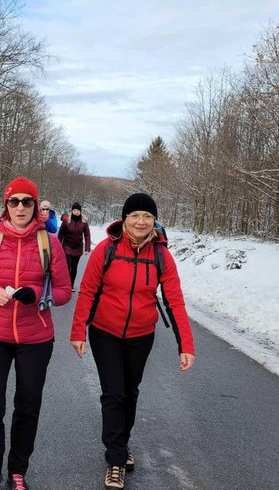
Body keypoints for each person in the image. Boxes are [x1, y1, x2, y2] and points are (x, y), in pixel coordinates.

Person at [69, 193, 195, 490]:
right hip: (105, 332)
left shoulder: (162, 255)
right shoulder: (106, 249)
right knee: (114, 394)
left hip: (141, 335)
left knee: (130, 392)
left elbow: (175, 301)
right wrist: (78, 331)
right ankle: (115, 460)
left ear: (155, 221)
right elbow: (87, 291)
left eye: (147, 216)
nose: (141, 221)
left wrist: (186, 344)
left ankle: (121, 444)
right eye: (135, 215)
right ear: (124, 219)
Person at [0, 177, 72, 490]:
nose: (21, 208)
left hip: (35, 339)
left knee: (27, 408)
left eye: (28, 201)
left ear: (35, 206)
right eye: (14, 202)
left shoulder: (49, 242)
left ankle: (17, 471)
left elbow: (65, 291)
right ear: (6, 206)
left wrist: (39, 296)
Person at [58, 202, 91, 290]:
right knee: (68, 265)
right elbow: (61, 233)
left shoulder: (84, 222)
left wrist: (87, 248)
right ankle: (66, 284)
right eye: (74, 210)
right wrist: (58, 245)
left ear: (80, 211)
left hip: (78, 248)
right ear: (72, 211)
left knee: (74, 267)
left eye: (78, 210)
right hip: (67, 246)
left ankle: (71, 285)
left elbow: (87, 235)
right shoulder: (66, 220)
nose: (76, 212)